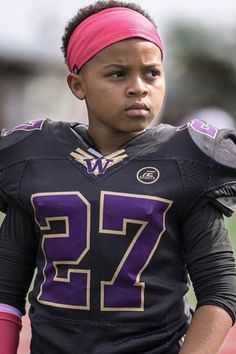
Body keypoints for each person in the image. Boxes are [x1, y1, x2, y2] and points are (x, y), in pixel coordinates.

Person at [0, 1, 236, 353]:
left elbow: (220, 288)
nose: (138, 87)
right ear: (78, 84)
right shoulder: (34, 157)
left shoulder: (188, 160)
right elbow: (6, 289)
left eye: (152, 73)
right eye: (118, 74)